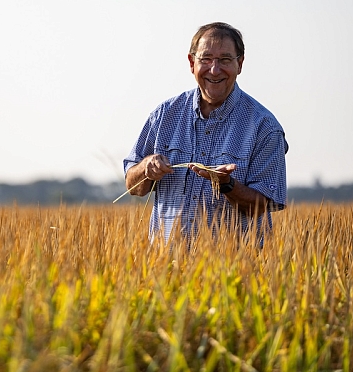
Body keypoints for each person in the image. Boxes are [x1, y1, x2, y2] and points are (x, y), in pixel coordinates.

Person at [123, 22, 288, 245]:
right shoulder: (164, 116)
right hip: (165, 270)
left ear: (240, 64)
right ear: (192, 63)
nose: (214, 69)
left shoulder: (264, 128)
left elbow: (262, 205)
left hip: (234, 272)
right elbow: (133, 186)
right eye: (206, 59)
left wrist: (227, 184)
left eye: (225, 60)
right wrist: (146, 168)